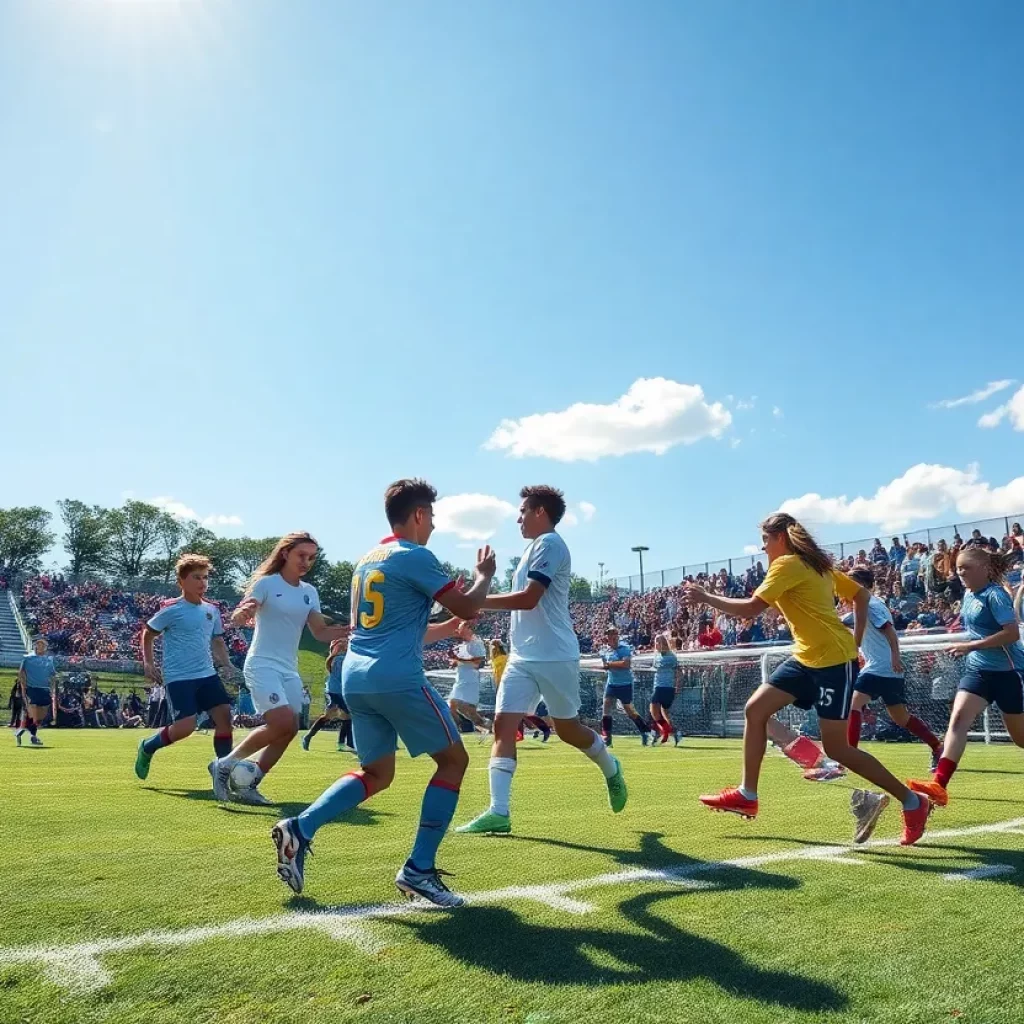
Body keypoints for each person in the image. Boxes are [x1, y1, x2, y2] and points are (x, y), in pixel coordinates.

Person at [272, 479, 496, 907]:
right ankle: (419, 869)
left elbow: (400, 628)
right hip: (396, 677)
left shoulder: (367, 560)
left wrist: (449, 628)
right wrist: (484, 576)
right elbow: (469, 605)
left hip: (357, 678)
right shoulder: (415, 556)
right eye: (432, 516)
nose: (434, 525)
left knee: (376, 773)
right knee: (454, 761)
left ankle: (300, 828)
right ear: (419, 514)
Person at [682, 512, 931, 846]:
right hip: (806, 658)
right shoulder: (816, 565)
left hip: (833, 662)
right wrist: (855, 639)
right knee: (756, 710)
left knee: (837, 749)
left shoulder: (788, 564)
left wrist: (706, 597)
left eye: (766, 540)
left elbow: (751, 609)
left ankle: (913, 802)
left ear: (781, 538)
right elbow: (861, 595)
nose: (763, 547)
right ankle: (747, 794)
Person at [457, 485, 627, 836]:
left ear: (539, 512)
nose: (518, 518)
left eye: (522, 511)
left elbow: (529, 598)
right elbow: (520, 599)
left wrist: (476, 600)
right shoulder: (531, 549)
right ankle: (499, 811)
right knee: (503, 725)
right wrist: (479, 592)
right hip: (521, 657)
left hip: (555, 655)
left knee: (568, 730)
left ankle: (611, 768)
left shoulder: (551, 544)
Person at [212, 533, 348, 804]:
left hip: (289, 669)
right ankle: (224, 764)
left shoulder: (309, 592)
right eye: (301, 555)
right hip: (262, 664)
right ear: (285, 553)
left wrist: (349, 630)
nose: (306, 562)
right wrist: (242, 613)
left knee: (290, 728)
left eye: (311, 557)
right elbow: (246, 609)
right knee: (282, 722)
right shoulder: (267, 583)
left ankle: (250, 782)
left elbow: (320, 632)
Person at [908, 548, 1024, 806]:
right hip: (978, 672)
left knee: (1020, 739)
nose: (960, 572)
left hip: (1007, 673)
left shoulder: (995, 595)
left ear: (984, 568)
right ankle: (939, 785)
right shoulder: (969, 595)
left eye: (966, 567)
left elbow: (1012, 634)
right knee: (958, 718)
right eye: (958, 568)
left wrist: (970, 646)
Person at [133, 554, 239, 781]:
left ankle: (222, 771)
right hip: (179, 677)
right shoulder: (172, 610)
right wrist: (148, 663)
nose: (202, 582)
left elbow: (217, 640)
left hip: (207, 674)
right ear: (181, 581)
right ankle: (147, 747)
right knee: (185, 728)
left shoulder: (212, 610)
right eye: (196, 577)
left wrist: (227, 663)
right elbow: (148, 634)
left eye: (205, 577)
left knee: (225, 718)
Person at [843, 567, 943, 769]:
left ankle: (849, 755)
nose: (847, 586)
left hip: (880, 666)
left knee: (854, 705)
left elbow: (889, 631)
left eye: (852, 582)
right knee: (900, 716)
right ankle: (937, 746)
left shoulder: (870, 604)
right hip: (886, 668)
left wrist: (895, 657)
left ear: (865, 584)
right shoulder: (867, 603)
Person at [598, 626, 652, 745]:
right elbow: (606, 666)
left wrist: (610, 664)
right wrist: (606, 666)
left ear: (617, 636)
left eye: (613, 634)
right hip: (611, 683)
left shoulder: (625, 648)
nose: (611, 637)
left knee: (630, 711)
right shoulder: (604, 651)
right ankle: (607, 737)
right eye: (609, 635)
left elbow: (626, 664)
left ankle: (645, 731)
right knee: (606, 708)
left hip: (625, 684)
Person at [302, 636, 354, 752]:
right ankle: (348, 744)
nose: (347, 644)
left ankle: (308, 737)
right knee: (348, 715)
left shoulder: (339, 659)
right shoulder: (339, 659)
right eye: (344, 643)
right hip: (336, 691)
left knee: (332, 716)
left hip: (337, 691)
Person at [447, 621, 490, 740]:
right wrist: (456, 662)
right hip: (461, 680)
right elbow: (464, 661)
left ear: (468, 628)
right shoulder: (463, 645)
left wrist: (457, 659)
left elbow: (478, 663)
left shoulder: (476, 643)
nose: (458, 631)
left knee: (461, 708)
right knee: (455, 707)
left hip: (470, 681)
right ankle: (482, 725)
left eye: (460, 628)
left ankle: (486, 726)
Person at [14, 639, 55, 747]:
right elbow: (21, 673)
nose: (41, 647)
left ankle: (22, 730)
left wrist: (52, 689)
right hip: (31, 688)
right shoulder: (27, 658)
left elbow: (52, 675)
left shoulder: (49, 660)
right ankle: (33, 736)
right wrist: (23, 687)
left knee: (41, 715)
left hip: (45, 689)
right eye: (39, 645)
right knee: (33, 713)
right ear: (35, 646)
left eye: (44, 645)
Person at [649, 632, 681, 745]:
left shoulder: (671, 657)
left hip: (664, 686)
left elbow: (678, 672)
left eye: (658, 642)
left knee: (654, 711)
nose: (656, 645)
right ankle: (673, 733)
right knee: (663, 713)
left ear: (663, 643)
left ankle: (665, 731)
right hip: (660, 686)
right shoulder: (657, 656)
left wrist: (677, 685)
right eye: (655, 643)